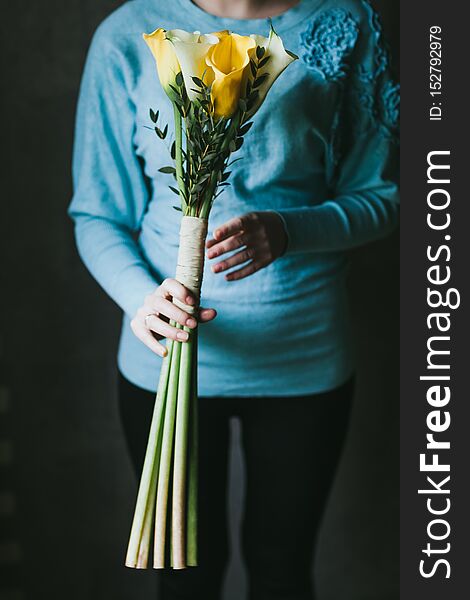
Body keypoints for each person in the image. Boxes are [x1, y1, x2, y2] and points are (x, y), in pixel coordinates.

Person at [68, 0, 399, 598]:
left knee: (282, 569)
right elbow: (97, 212)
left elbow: (382, 198)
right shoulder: (126, 33)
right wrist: (143, 300)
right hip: (165, 362)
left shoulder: (346, 23)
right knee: (186, 580)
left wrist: (291, 229)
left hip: (304, 356)